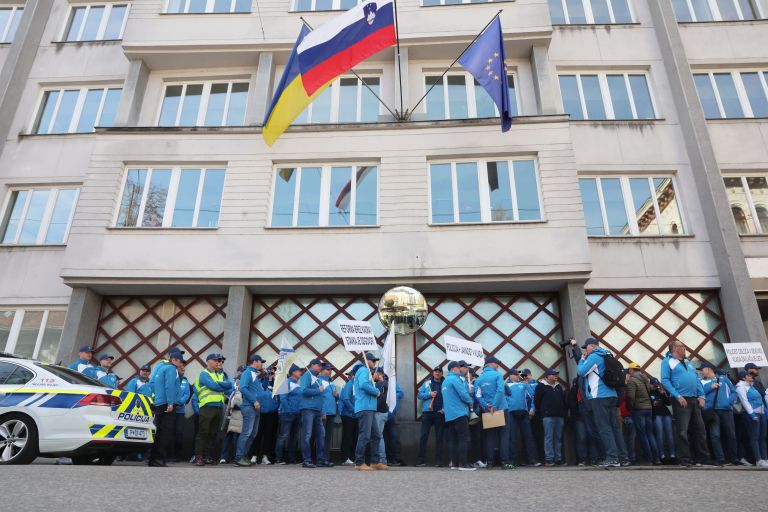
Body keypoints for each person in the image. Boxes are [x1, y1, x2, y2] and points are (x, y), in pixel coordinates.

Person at [660, 340, 718, 467]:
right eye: (682, 346)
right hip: (681, 399)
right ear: (674, 348)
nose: (684, 348)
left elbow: (696, 379)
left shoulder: (687, 362)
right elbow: (664, 380)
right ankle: (684, 459)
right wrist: (677, 396)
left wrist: (702, 395)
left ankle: (703, 458)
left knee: (700, 429)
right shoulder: (667, 361)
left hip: (693, 399)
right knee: (682, 431)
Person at [576, 337, 628, 467]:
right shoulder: (607, 355)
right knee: (615, 427)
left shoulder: (594, 357)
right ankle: (623, 457)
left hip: (599, 396)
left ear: (592, 346)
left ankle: (612, 458)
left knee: (604, 427)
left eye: (586, 347)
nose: (585, 350)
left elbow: (581, 372)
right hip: (612, 395)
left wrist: (582, 359)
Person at [193, 353, 234, 466]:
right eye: (215, 360)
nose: (218, 362)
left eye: (219, 360)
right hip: (206, 406)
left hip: (218, 406)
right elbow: (215, 387)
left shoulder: (218, 375)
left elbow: (229, 385)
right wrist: (222, 384)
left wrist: (220, 384)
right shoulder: (204, 374)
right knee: (203, 432)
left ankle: (206, 456)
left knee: (212, 433)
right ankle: (198, 457)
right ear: (208, 362)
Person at [148, 348, 184, 467]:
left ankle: (153, 459)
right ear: (174, 360)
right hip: (166, 404)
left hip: (159, 402)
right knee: (165, 433)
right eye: (180, 361)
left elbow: (152, 383)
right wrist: (170, 403)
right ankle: (159, 459)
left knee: (159, 432)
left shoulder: (162, 367)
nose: (181, 364)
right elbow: (169, 386)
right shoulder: (171, 368)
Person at [476, 356, 513, 469]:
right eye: (497, 364)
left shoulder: (479, 379)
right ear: (491, 364)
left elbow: (478, 395)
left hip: (488, 411)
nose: (498, 366)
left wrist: (486, 405)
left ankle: (490, 462)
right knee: (504, 436)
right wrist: (495, 405)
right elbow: (501, 391)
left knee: (489, 436)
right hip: (501, 408)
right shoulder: (498, 375)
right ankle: (504, 462)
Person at [699, 362, 740, 466]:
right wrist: (711, 387)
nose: (701, 372)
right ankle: (720, 458)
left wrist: (728, 402)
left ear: (708, 369)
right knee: (715, 435)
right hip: (712, 411)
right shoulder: (701, 382)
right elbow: (699, 393)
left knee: (731, 434)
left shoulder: (724, 379)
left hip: (726, 410)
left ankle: (734, 458)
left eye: (702, 369)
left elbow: (733, 392)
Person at [353, 353, 386, 471]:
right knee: (365, 435)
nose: (375, 363)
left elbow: (367, 385)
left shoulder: (365, 372)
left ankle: (375, 462)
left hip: (369, 408)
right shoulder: (364, 370)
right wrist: (377, 392)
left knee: (376, 435)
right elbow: (363, 385)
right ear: (366, 361)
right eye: (373, 361)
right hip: (365, 407)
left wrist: (378, 382)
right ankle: (359, 462)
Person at [234, 355, 268, 466]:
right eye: (260, 362)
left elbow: (262, 388)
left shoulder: (254, 374)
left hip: (255, 407)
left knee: (253, 433)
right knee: (247, 432)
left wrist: (266, 376)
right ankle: (239, 457)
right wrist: (254, 401)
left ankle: (244, 455)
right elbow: (243, 387)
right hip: (249, 406)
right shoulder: (248, 373)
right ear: (254, 362)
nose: (262, 364)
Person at [299, 359, 333, 468]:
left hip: (317, 410)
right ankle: (306, 460)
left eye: (321, 365)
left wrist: (323, 411)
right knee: (307, 434)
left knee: (321, 435)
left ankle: (321, 459)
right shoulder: (307, 375)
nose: (320, 367)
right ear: (312, 365)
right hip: (308, 409)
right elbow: (303, 390)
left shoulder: (316, 377)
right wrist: (318, 390)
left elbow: (320, 396)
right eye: (318, 365)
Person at [442, 361, 475, 471]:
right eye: (458, 368)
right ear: (454, 369)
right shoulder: (455, 379)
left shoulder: (445, 381)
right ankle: (463, 464)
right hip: (459, 413)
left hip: (449, 415)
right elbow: (463, 394)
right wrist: (470, 401)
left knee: (453, 440)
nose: (460, 370)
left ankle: (455, 463)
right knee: (463, 438)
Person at [626, 362, 659, 465]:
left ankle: (648, 459)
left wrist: (630, 408)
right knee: (650, 434)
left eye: (629, 371)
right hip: (649, 409)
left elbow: (631, 397)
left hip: (639, 409)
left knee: (642, 434)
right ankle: (656, 458)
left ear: (631, 370)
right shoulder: (646, 380)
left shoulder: (632, 381)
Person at [534, 369, 566, 466]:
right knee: (548, 437)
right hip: (547, 416)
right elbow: (537, 401)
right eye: (554, 374)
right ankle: (549, 459)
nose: (556, 376)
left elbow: (563, 400)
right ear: (547, 376)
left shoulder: (559, 386)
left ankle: (558, 458)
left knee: (558, 438)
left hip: (559, 415)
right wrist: (543, 412)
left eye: (556, 374)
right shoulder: (540, 387)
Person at [735, 370, 768, 467]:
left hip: (761, 413)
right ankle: (758, 459)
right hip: (752, 414)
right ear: (743, 377)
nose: (751, 377)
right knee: (755, 437)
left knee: (762, 437)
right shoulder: (740, 387)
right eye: (749, 375)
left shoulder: (751, 386)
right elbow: (744, 401)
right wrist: (752, 414)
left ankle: (765, 458)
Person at [415, 366, 446, 467]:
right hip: (427, 413)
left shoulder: (445, 383)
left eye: (439, 372)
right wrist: (429, 394)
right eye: (435, 371)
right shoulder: (427, 383)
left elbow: (449, 397)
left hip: (439, 413)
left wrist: (444, 409)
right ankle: (420, 460)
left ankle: (438, 461)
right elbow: (419, 395)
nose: (437, 373)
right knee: (423, 437)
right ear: (433, 373)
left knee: (439, 438)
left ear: (442, 374)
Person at [275, 364, 303, 464]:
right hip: (287, 414)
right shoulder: (286, 383)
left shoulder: (298, 384)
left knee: (294, 437)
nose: (301, 373)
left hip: (298, 414)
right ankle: (278, 459)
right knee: (283, 436)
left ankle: (291, 459)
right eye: (299, 371)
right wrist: (289, 410)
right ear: (294, 372)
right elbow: (283, 398)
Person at [567, 377, 598, 466]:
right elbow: (571, 402)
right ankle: (583, 459)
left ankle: (592, 458)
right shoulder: (575, 388)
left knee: (590, 437)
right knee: (582, 438)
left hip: (587, 415)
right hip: (580, 417)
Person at [252, 366, 278, 465]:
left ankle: (265, 456)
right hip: (260, 412)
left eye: (273, 373)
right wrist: (267, 377)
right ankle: (253, 455)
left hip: (272, 413)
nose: (271, 374)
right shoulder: (260, 383)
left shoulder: (277, 385)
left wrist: (276, 407)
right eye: (270, 372)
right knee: (258, 434)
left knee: (268, 435)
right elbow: (260, 391)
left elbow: (279, 397)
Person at [649, 377, 676, 464]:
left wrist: (664, 394)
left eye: (656, 385)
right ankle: (662, 455)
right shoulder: (648, 393)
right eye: (653, 385)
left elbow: (668, 403)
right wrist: (654, 403)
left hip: (665, 413)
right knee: (659, 435)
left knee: (669, 435)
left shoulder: (660, 392)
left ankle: (672, 455)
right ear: (650, 384)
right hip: (656, 414)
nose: (655, 387)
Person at [339, 367, 358, 465]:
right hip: (348, 415)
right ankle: (345, 458)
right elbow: (346, 399)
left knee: (354, 437)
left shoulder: (356, 385)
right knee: (348, 437)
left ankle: (352, 457)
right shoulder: (349, 385)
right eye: (353, 375)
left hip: (354, 416)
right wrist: (355, 410)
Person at [320, 363, 339, 463]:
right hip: (324, 413)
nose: (330, 371)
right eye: (328, 369)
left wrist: (337, 395)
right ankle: (320, 457)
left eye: (330, 370)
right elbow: (320, 398)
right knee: (321, 436)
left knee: (328, 436)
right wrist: (322, 411)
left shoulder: (332, 383)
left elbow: (336, 397)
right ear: (322, 370)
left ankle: (326, 457)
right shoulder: (319, 381)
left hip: (332, 412)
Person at [173, 363, 192, 462]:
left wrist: (179, 402)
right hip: (170, 410)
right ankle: (167, 455)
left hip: (180, 411)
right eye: (180, 367)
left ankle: (177, 456)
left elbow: (187, 394)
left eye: (183, 367)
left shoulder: (185, 382)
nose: (182, 368)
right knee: (168, 433)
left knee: (179, 433)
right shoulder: (172, 379)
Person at [384, 376, 404, 466]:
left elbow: (401, 393)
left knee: (394, 438)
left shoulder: (393, 384)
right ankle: (387, 459)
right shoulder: (376, 383)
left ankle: (396, 459)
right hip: (381, 415)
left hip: (391, 415)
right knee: (384, 439)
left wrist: (390, 396)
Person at [373, 367, 390, 464]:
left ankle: (382, 460)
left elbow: (383, 398)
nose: (372, 376)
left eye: (373, 373)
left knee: (379, 436)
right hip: (380, 412)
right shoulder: (379, 383)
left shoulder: (384, 383)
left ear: (379, 373)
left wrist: (374, 407)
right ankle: (380, 459)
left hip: (380, 412)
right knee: (378, 436)